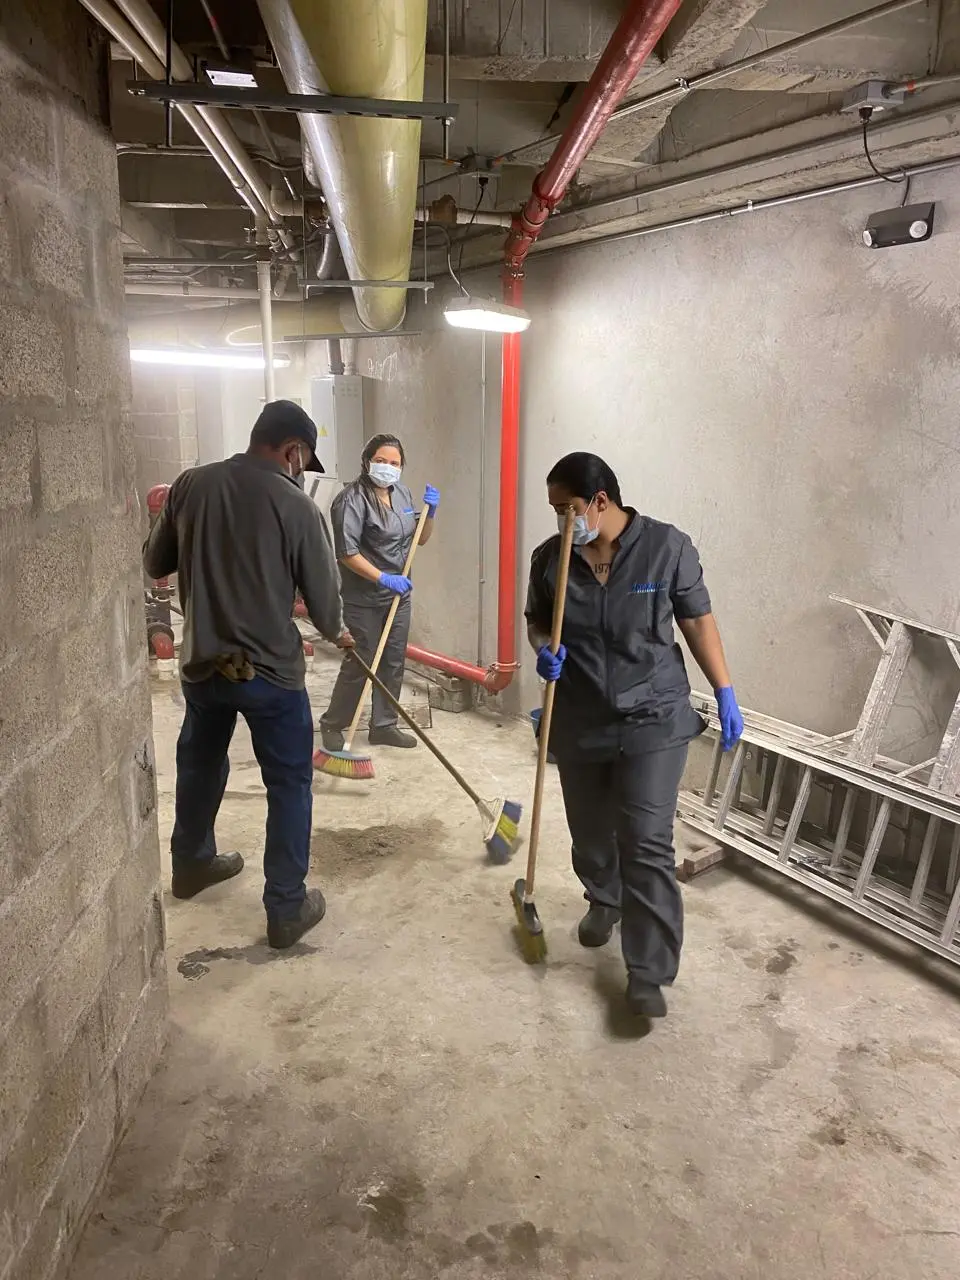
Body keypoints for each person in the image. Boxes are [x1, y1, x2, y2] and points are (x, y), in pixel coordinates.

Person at [524, 452, 743, 1019]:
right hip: (580, 713)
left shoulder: (667, 548)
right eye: (554, 510)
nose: (562, 520)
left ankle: (648, 972)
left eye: (568, 508)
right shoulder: (551, 558)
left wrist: (723, 688)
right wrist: (545, 649)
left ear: (600, 502)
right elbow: (538, 620)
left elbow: (696, 620)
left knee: (645, 839)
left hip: (653, 715)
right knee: (591, 831)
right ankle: (605, 897)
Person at [142, 399, 354, 950]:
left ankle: (191, 864)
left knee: (200, 762)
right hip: (269, 676)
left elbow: (154, 562)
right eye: (302, 461)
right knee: (288, 783)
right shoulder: (297, 506)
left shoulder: (190, 485)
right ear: (293, 451)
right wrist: (339, 631)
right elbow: (325, 608)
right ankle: (286, 908)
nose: (300, 471)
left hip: (203, 664)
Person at [320, 433, 440, 751]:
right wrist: (384, 578)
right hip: (363, 598)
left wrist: (430, 514)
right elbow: (347, 553)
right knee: (361, 662)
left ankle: (384, 725)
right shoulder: (350, 500)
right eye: (381, 461)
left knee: (393, 660)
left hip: (398, 597)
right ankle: (333, 723)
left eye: (395, 463)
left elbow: (420, 538)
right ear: (367, 461)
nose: (388, 467)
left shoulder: (402, 493)